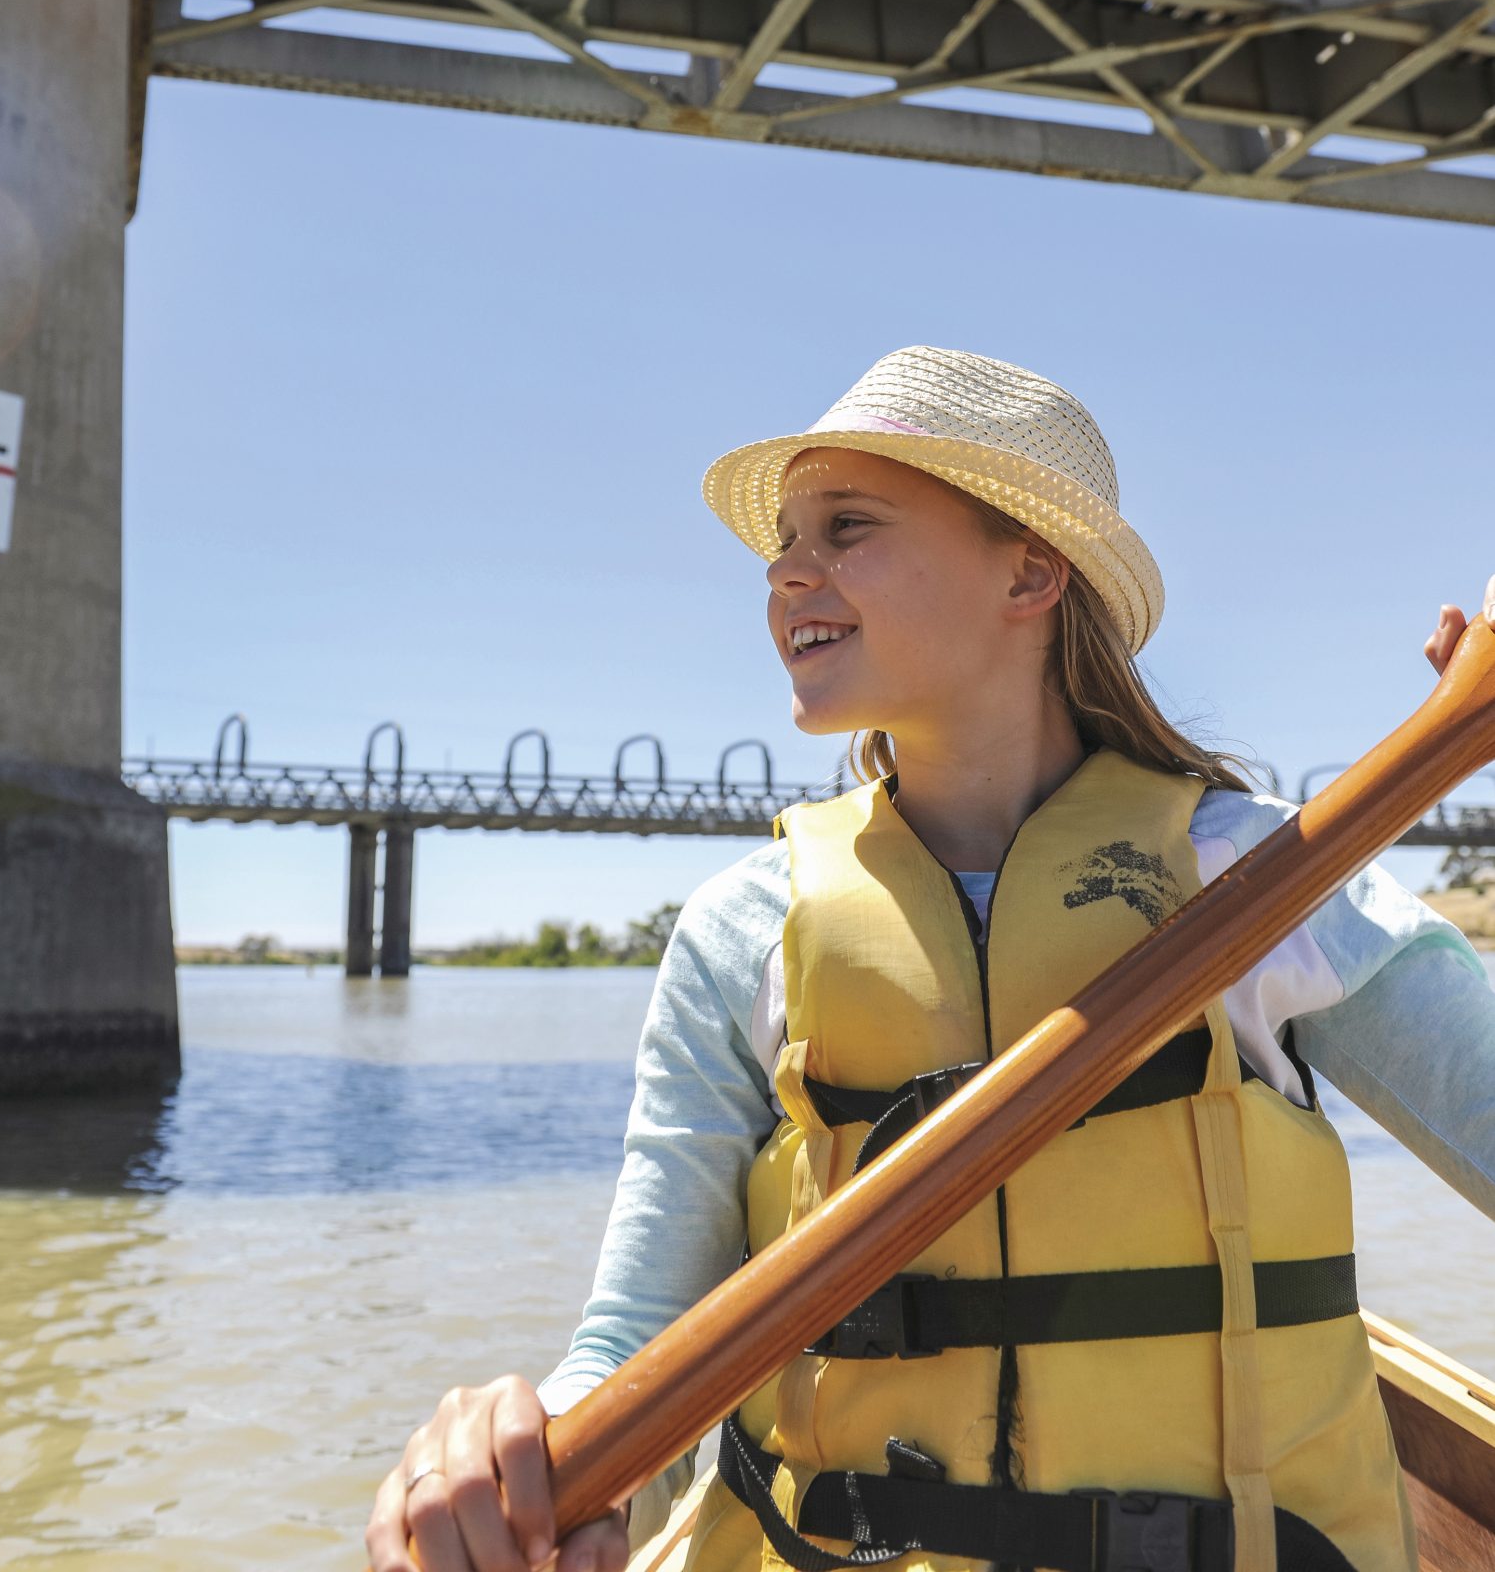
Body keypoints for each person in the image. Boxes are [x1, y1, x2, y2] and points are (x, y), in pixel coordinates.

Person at [368, 348, 1495, 1572]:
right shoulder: (743, 929)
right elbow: (636, 1342)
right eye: (780, 545)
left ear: (1029, 569)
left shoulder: (1262, 878)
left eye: (846, 526)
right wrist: (526, 1468)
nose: (788, 572)